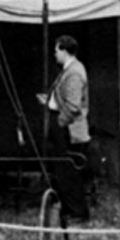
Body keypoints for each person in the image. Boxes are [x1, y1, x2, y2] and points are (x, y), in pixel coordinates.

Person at [39, 35, 91, 221]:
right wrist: (51, 102)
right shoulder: (67, 70)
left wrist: (59, 122)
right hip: (64, 125)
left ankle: (79, 213)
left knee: (69, 173)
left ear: (63, 50)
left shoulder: (74, 72)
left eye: (56, 50)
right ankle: (70, 209)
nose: (54, 54)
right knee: (63, 172)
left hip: (69, 129)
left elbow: (73, 106)